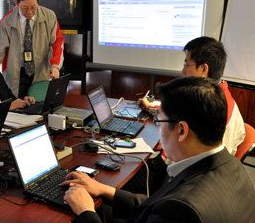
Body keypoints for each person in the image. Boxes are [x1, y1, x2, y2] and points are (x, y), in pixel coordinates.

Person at [63, 77, 255, 222]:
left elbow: (169, 208)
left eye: (159, 121)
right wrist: (104, 190)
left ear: (181, 130)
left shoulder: (182, 209)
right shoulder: (232, 168)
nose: (159, 129)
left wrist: (85, 211)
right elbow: (157, 204)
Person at [140, 36, 245, 155]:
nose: (183, 71)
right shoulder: (210, 96)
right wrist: (152, 107)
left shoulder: (215, 109)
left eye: (187, 64)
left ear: (203, 69)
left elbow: (202, 160)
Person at [0, 0, 64, 98]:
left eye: (33, 7)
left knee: (39, 107)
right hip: (17, 71)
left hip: (41, 71)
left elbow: (57, 42)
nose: (30, 11)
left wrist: (55, 65)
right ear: (17, 4)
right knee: (18, 108)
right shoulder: (7, 21)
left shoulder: (49, 16)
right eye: (25, 8)